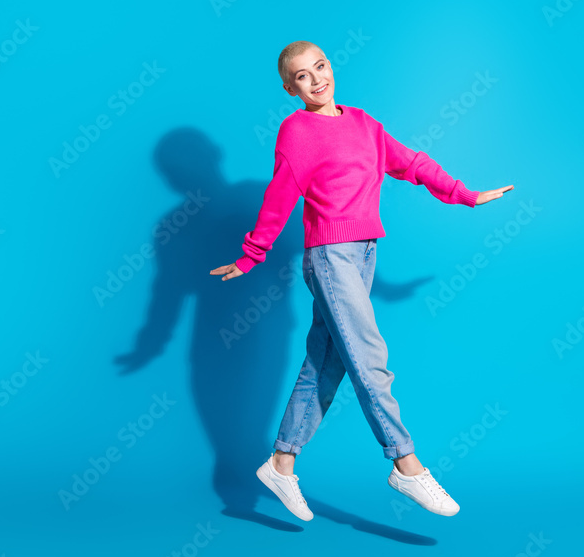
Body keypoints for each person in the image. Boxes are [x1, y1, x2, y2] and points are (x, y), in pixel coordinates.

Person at [210, 40, 513, 522]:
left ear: (331, 66)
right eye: (303, 76)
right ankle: (406, 463)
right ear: (290, 88)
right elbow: (279, 196)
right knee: (369, 358)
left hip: (365, 253)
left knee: (325, 363)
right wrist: (252, 255)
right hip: (329, 258)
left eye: (321, 66)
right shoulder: (296, 132)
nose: (317, 79)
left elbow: (410, 163)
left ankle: (282, 463)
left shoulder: (364, 124)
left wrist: (464, 196)